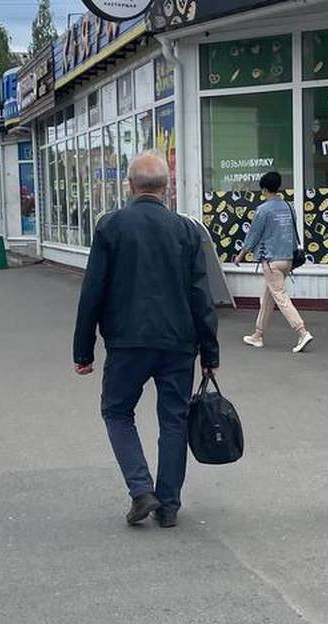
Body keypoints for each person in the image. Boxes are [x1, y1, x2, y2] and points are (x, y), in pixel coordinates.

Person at [73, 152, 220, 529]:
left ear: (130, 185)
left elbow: (93, 290)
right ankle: (168, 505)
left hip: (127, 343)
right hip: (178, 343)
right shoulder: (187, 230)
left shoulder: (111, 227)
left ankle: (141, 490)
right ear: (166, 188)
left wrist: (83, 350)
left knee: (117, 412)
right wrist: (209, 352)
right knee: (174, 420)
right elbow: (201, 296)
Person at [232, 171, 313, 353]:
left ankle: (302, 332)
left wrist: (240, 255)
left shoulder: (263, 210)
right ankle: (258, 335)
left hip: (271, 260)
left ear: (264, 189)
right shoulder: (289, 207)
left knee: (281, 297)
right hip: (288, 259)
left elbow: (253, 235)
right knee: (269, 298)